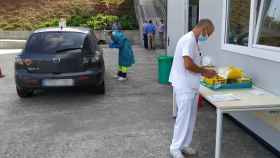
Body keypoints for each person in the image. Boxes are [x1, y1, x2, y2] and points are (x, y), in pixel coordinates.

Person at [169, 19, 217, 158]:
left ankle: (185, 145)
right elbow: (188, 64)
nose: (208, 37)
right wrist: (204, 72)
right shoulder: (188, 40)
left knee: (191, 117)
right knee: (183, 118)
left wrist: (203, 70)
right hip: (184, 85)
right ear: (203, 29)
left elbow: (194, 62)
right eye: (208, 34)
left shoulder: (194, 41)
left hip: (192, 85)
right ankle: (175, 147)